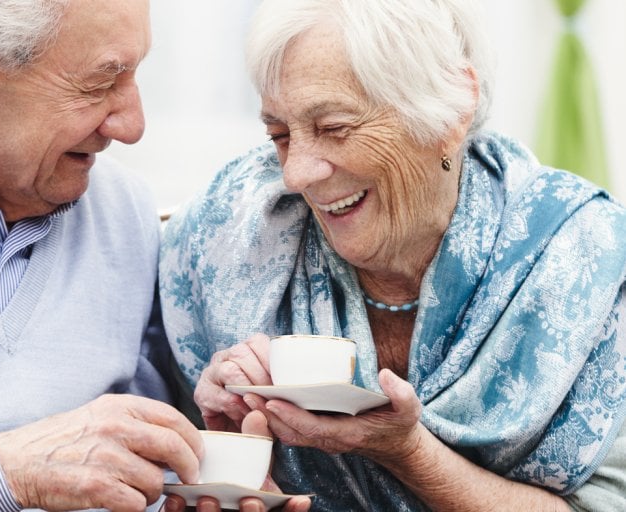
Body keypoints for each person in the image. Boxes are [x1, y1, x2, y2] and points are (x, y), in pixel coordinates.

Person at [158, 0, 626, 510]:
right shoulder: (222, 237)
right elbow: (158, 466)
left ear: (452, 108)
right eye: (280, 135)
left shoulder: (585, 258)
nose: (297, 174)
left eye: (335, 127)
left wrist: (408, 452)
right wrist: (225, 461)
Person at [0, 1, 311, 511]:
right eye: (99, 84)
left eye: (135, 76)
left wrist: (199, 476)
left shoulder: (121, 211)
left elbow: (148, 468)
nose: (132, 125)